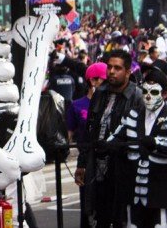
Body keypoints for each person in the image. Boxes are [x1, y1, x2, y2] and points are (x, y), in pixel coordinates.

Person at [106, 68, 167, 228]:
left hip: (161, 189)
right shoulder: (132, 114)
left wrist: (156, 143)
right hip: (133, 189)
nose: (148, 96)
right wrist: (105, 146)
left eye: (154, 92)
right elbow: (116, 137)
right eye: (145, 91)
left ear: (164, 94)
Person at [75, 50, 143, 227]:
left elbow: (140, 136)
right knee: (100, 217)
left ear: (128, 72)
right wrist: (82, 163)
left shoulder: (137, 96)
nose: (111, 71)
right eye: (110, 67)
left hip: (123, 166)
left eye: (118, 68)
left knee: (122, 218)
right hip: (97, 165)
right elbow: (89, 131)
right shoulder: (100, 93)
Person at [68, 62, 106, 228]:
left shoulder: (111, 103)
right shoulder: (76, 105)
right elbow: (68, 135)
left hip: (107, 159)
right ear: (93, 81)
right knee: (87, 206)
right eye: (105, 79)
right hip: (86, 160)